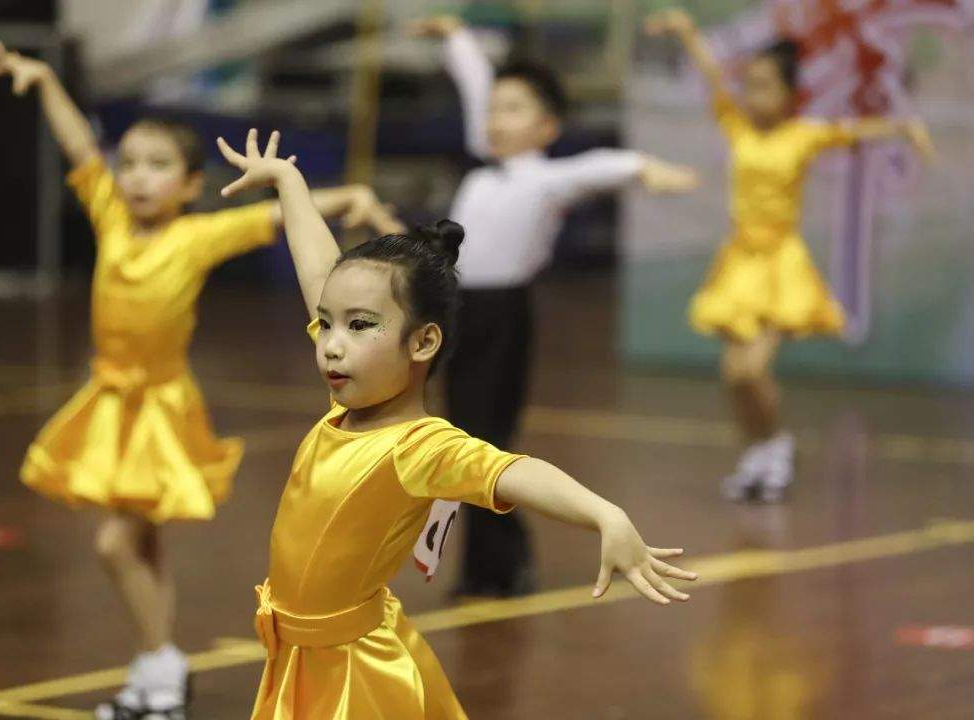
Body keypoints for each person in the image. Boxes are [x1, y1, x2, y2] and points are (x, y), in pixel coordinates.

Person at [0, 39, 402, 720]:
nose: (139, 177)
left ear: (188, 185)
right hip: (109, 400)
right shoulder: (111, 218)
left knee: (116, 542)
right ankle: (154, 682)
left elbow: (274, 217)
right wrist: (47, 80)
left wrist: (349, 195)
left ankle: (163, 665)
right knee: (142, 540)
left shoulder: (197, 238)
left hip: (159, 408)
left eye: (159, 166)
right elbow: (79, 149)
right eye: (132, 164)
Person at [215, 127, 697, 719]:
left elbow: (515, 470)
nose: (331, 346)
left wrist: (604, 513)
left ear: (423, 343)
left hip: (355, 675)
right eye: (326, 324)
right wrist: (290, 182)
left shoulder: (420, 446)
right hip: (298, 660)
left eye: (359, 326)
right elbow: (318, 269)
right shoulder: (345, 408)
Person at [409, 14, 699, 597]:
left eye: (513, 109)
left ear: (546, 127)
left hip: (501, 317)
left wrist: (647, 169)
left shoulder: (543, 179)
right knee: (460, 438)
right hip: (455, 311)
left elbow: (596, 169)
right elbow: (473, 87)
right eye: (494, 109)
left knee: (483, 441)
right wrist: (457, 38)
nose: (494, 118)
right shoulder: (481, 160)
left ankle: (498, 567)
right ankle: (496, 564)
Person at [644, 10, 935, 503]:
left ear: (790, 95)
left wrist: (904, 129)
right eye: (750, 85)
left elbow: (852, 130)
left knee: (754, 370)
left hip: (780, 265)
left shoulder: (803, 135)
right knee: (733, 375)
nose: (753, 96)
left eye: (765, 87)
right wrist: (689, 32)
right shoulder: (737, 128)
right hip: (739, 264)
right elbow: (714, 78)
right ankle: (757, 451)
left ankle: (776, 444)